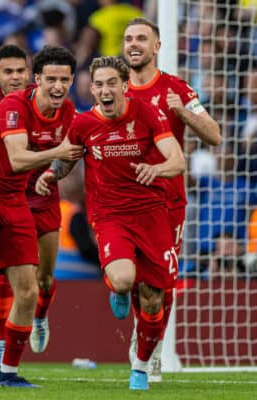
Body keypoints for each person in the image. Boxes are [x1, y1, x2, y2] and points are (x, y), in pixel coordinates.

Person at [36, 56, 186, 390]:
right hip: (110, 216)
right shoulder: (84, 124)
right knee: (123, 280)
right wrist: (50, 174)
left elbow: (176, 159)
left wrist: (157, 169)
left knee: (153, 299)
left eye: (111, 83)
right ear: (92, 89)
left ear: (124, 85)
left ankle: (141, 367)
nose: (105, 90)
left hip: (152, 213)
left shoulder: (147, 114)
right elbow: (66, 159)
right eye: (99, 84)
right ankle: (118, 288)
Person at [0, 45, 83, 388]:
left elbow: (68, 157)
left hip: (15, 198)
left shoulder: (68, 112)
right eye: (51, 78)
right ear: (37, 79)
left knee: (28, 290)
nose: (58, 85)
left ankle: (7, 374)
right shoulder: (13, 105)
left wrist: (54, 171)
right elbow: (15, 159)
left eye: (64, 79)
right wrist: (58, 153)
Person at [123, 17, 221, 382]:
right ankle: (143, 337)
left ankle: (153, 348)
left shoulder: (176, 88)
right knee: (130, 277)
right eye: (129, 38)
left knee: (160, 283)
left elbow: (214, 135)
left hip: (167, 201)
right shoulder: (116, 89)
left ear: (157, 46)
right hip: (125, 202)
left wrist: (181, 111)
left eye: (142, 39)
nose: (134, 44)